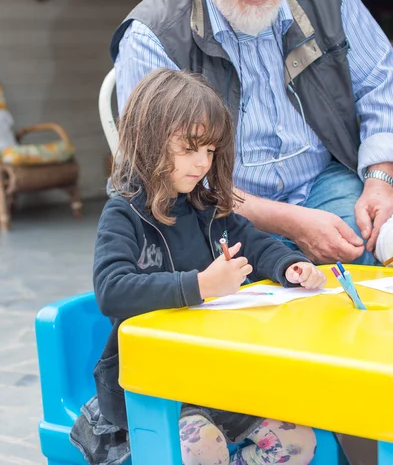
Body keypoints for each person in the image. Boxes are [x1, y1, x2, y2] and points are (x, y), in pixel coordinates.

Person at [110, 0, 393, 267]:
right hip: (217, 213)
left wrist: (381, 181)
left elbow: (382, 82)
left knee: (372, 256)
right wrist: (290, 223)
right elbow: (158, 174)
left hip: (323, 183)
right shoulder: (152, 36)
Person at [71, 69, 325, 465]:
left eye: (210, 151)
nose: (203, 163)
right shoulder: (124, 214)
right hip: (153, 386)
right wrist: (201, 284)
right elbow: (112, 290)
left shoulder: (208, 209)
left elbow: (257, 246)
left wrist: (291, 265)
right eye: (190, 149)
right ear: (148, 139)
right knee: (202, 447)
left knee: (298, 440)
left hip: (218, 377)